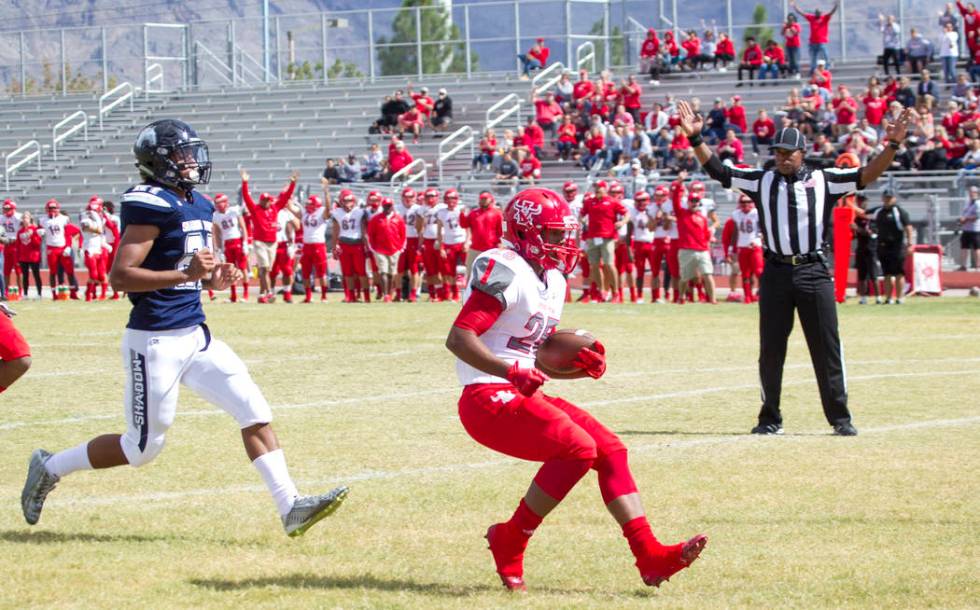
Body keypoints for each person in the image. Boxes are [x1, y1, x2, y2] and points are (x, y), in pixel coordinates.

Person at [21, 119, 348, 531]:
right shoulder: (148, 203)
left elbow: (200, 270)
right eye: (182, 153)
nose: (191, 160)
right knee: (141, 448)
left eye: (192, 152)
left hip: (197, 335)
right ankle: (50, 467)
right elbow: (121, 276)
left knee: (255, 411)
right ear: (159, 162)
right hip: (155, 339)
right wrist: (185, 274)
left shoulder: (200, 204)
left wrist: (216, 278)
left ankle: (290, 507)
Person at [445, 188, 706, 592]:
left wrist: (576, 367)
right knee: (578, 449)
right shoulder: (503, 265)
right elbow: (461, 338)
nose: (563, 244)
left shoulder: (551, 278)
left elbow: (536, 353)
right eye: (553, 235)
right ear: (525, 232)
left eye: (565, 235)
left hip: (520, 389)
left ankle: (650, 554)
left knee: (611, 450)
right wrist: (510, 372)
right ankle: (511, 538)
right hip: (485, 396)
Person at [676, 98, 913, 435]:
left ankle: (840, 419)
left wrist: (892, 144)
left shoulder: (824, 179)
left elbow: (867, 174)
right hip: (775, 272)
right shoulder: (762, 181)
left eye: (789, 152)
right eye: (778, 152)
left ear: (803, 152)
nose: (783, 157)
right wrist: (696, 139)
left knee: (826, 347)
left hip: (814, 270)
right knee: (770, 350)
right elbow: (720, 171)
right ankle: (769, 418)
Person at [241, 168, 298, 304]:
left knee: (266, 269)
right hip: (260, 242)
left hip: (273, 242)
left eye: (268, 200)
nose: (267, 202)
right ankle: (268, 293)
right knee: (265, 268)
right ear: (261, 201)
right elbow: (246, 198)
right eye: (265, 200)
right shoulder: (255, 209)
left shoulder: (275, 208)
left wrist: (292, 184)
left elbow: (284, 198)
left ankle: (262, 294)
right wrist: (245, 182)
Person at [668, 180, 716, 304]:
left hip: (702, 250)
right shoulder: (682, 214)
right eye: (692, 201)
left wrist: (708, 242)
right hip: (686, 249)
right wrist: (679, 183)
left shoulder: (702, 217)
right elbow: (675, 202)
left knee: (707, 274)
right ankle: (682, 297)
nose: (694, 203)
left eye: (696, 201)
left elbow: (706, 234)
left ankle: (713, 299)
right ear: (688, 202)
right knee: (684, 277)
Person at [581, 181, 628, 303]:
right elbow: (581, 213)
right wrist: (583, 221)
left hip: (608, 237)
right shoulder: (589, 202)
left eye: (599, 188)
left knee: (609, 264)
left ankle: (615, 292)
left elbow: (626, 213)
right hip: (593, 238)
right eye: (596, 188)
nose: (597, 190)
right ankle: (602, 291)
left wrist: (622, 222)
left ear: (605, 189)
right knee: (594, 265)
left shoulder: (612, 201)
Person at [873, 188, 914, 304]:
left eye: (890, 198)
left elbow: (908, 228)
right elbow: (864, 214)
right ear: (882, 198)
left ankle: (900, 297)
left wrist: (910, 243)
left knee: (898, 273)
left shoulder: (899, 212)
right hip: (883, 246)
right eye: (885, 198)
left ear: (894, 199)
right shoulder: (878, 212)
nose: (887, 200)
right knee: (886, 273)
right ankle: (888, 298)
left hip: (897, 246)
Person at [329, 189, 369, 303]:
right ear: (341, 202)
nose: (348, 203)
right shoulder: (337, 213)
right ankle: (351, 297)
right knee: (347, 273)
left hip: (357, 244)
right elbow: (335, 232)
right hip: (344, 245)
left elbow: (364, 230)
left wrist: (366, 246)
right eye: (345, 201)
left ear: (354, 201)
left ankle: (366, 296)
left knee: (361, 272)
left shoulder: (360, 211)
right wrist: (333, 247)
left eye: (350, 200)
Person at [211, 193, 251, 303]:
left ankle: (246, 294)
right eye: (217, 203)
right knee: (230, 270)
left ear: (226, 202)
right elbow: (218, 234)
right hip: (227, 244)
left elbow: (243, 228)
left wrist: (245, 243)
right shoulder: (216, 216)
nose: (219, 205)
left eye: (220, 203)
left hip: (237, 241)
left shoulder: (234, 211)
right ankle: (233, 296)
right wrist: (219, 249)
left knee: (242, 268)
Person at [367, 196, 407, 302]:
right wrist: (373, 247)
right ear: (382, 206)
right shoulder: (376, 219)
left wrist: (401, 247)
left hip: (394, 248)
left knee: (392, 273)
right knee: (383, 271)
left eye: (389, 206)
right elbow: (371, 234)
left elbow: (402, 234)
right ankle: (386, 295)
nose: (387, 208)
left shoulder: (398, 218)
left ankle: (390, 292)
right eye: (385, 206)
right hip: (380, 249)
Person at [294, 194, 331, 303]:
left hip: (318, 245)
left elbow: (328, 208)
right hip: (306, 245)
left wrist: (326, 192)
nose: (307, 206)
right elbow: (291, 208)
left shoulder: (322, 212)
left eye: (310, 204)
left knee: (321, 273)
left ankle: (324, 296)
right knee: (305, 272)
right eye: (307, 204)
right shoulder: (305, 213)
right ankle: (308, 296)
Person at [436, 188, 468, 302]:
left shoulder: (461, 210)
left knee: (463, 270)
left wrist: (467, 241)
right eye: (449, 198)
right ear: (445, 199)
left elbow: (468, 227)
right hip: (448, 243)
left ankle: (460, 294)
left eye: (453, 198)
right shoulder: (441, 212)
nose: (451, 200)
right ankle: (450, 293)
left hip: (461, 241)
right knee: (448, 271)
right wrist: (441, 247)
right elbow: (439, 231)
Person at [730, 195, 764, 303]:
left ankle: (762, 294)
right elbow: (735, 231)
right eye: (743, 202)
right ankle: (748, 296)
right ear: (739, 203)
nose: (746, 204)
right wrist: (732, 248)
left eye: (748, 201)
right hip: (742, 246)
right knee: (745, 273)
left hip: (755, 246)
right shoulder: (736, 214)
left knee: (759, 271)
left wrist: (759, 239)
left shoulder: (756, 213)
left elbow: (763, 228)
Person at [791, 0, 839, 75]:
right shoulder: (812, 18)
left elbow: (831, 12)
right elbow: (802, 13)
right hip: (812, 42)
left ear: (821, 13)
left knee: (824, 56)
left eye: (819, 13)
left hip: (821, 42)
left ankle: (826, 69)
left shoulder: (824, 18)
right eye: (816, 13)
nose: (817, 14)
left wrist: (836, 5)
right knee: (813, 58)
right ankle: (813, 70)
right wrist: (795, 6)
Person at [851, 194, 882, 304]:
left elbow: (871, 233)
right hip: (861, 248)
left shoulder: (871, 218)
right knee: (862, 274)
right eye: (859, 201)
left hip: (871, 249)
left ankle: (878, 297)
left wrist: (857, 228)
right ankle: (863, 297)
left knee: (873, 274)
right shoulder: (856, 218)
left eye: (863, 201)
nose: (861, 203)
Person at [462, 191, 503, 274]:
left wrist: (501, 244)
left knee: (491, 273)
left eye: (485, 199)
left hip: (491, 248)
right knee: (471, 272)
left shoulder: (497, 213)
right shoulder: (473, 213)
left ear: (490, 199)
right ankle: (469, 287)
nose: (483, 201)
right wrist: (462, 214)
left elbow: (501, 230)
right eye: (482, 199)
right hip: (475, 247)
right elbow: (464, 225)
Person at [419, 187, 447, 302]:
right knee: (430, 269)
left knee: (444, 269)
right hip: (427, 240)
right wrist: (420, 243)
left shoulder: (443, 208)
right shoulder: (422, 209)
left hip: (442, 240)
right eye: (428, 196)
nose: (430, 199)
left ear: (437, 197)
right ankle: (434, 293)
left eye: (432, 196)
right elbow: (420, 228)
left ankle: (445, 293)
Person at [396, 188, 422, 302]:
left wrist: (420, 244)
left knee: (414, 268)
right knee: (399, 269)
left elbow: (422, 228)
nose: (408, 199)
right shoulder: (396, 209)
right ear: (402, 198)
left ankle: (413, 293)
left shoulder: (419, 209)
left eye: (411, 197)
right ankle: (397, 293)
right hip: (399, 241)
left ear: (415, 198)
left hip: (414, 240)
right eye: (406, 197)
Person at [80, 197, 107, 302]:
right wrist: (97, 229)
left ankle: (102, 295)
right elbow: (85, 227)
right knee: (93, 274)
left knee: (101, 274)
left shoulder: (101, 217)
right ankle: (88, 295)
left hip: (99, 246)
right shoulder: (86, 214)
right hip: (89, 247)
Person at [16, 212, 42, 299]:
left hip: (34, 256)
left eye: (26, 218)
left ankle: (39, 293)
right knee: (25, 276)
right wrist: (18, 258)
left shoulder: (35, 229)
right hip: (23, 257)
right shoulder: (20, 231)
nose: (24, 220)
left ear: (30, 218)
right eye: (23, 218)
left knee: (36, 275)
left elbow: (37, 244)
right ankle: (25, 294)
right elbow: (18, 245)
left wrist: (33, 235)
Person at [1, 199, 21, 299]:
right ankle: (6, 292)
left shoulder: (18, 217)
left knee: (18, 270)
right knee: (6, 271)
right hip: (5, 246)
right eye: (5, 208)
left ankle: (21, 292)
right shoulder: (1, 218)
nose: (6, 210)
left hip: (16, 246)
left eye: (8, 208)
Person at [958, 186, 980, 270]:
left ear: (977, 193)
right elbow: (965, 213)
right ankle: (963, 266)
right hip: (966, 229)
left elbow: (977, 216)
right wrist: (961, 220)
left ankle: (978, 266)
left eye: (974, 192)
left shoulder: (978, 203)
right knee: (964, 247)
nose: (972, 194)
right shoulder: (968, 202)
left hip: (975, 229)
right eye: (970, 192)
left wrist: (966, 219)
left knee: (977, 248)